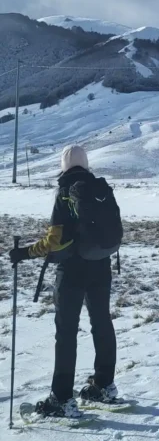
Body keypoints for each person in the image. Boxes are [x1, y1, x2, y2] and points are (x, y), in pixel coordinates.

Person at [9, 145, 121, 418]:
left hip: (71, 270)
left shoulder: (64, 192)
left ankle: (61, 398)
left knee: (67, 332)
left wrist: (23, 253)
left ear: (64, 165)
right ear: (86, 163)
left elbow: (53, 241)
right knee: (102, 323)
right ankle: (104, 385)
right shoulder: (101, 189)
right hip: (101, 266)